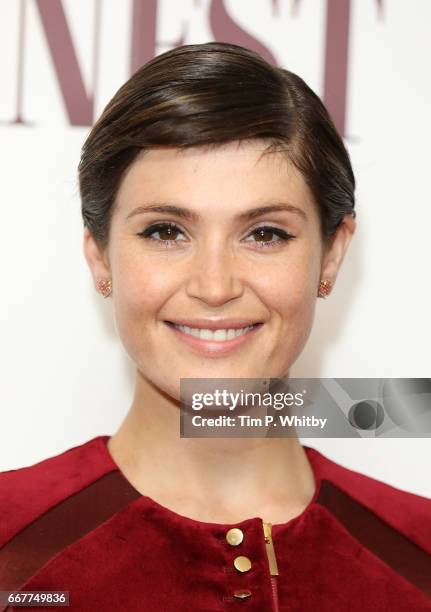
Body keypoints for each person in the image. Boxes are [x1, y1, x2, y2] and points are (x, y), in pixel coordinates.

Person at [1, 42, 430, 612]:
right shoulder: (13, 548)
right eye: (164, 231)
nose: (214, 284)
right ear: (100, 257)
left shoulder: (417, 556)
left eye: (265, 233)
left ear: (331, 255)